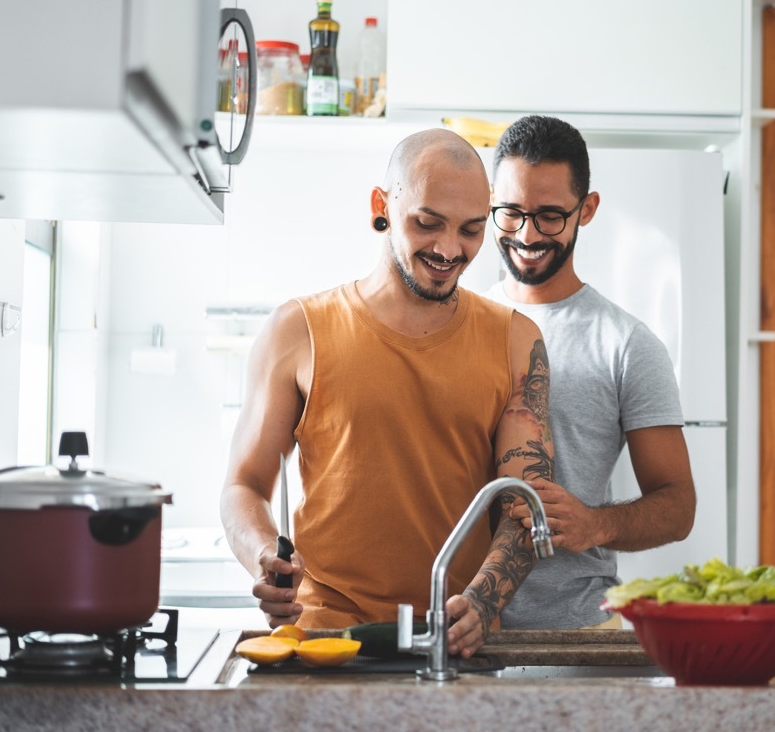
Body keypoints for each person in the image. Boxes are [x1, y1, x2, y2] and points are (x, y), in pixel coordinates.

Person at [220, 128, 554, 659]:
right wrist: (263, 554)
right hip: (323, 639)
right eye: (428, 223)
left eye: (471, 230)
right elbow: (244, 483)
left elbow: (524, 501)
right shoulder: (298, 329)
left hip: (454, 640)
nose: (450, 249)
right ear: (381, 206)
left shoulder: (516, 340)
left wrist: (485, 601)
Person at [484, 115, 696, 629]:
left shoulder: (626, 344)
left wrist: (595, 524)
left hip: (577, 633)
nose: (527, 235)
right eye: (510, 213)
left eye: (551, 216)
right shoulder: (458, 321)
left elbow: (678, 505)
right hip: (456, 630)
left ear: (588, 209)